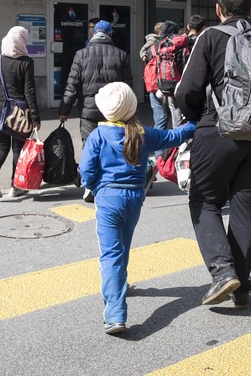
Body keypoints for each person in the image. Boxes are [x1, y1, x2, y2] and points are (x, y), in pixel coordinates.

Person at [174, 0, 251, 309]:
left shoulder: (210, 36)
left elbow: (186, 92)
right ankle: (241, 286)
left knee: (205, 200)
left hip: (220, 131)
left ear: (219, 10)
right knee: (247, 208)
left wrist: (196, 120)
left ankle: (223, 273)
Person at [78, 81, 195, 335]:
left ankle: (115, 314)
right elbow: (174, 136)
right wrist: (195, 124)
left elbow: (86, 172)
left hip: (108, 198)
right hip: (135, 198)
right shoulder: (143, 133)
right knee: (123, 245)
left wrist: (95, 187)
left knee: (110, 255)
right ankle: (123, 283)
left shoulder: (99, 135)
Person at [59, 20, 133, 202]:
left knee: (89, 148)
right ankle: (110, 183)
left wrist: (64, 108)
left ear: (94, 34)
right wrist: (131, 111)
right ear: (110, 35)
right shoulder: (121, 55)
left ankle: (89, 186)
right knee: (114, 147)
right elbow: (128, 87)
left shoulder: (81, 54)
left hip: (89, 110)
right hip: (115, 110)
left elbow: (72, 84)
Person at [0, 26, 40, 199]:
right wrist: (36, 117)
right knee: (17, 149)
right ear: (22, 40)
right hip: (18, 115)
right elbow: (29, 91)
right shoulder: (26, 62)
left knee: (1, 147)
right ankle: (15, 187)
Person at [154, 20, 190, 128]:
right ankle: (182, 139)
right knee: (183, 112)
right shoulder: (181, 44)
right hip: (180, 83)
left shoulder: (160, 45)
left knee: (174, 111)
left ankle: (177, 138)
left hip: (165, 84)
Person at [140, 21, 167, 129]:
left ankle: (158, 142)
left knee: (159, 115)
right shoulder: (166, 45)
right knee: (172, 116)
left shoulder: (149, 47)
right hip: (167, 84)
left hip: (153, 84)